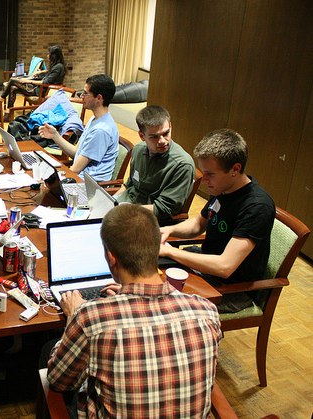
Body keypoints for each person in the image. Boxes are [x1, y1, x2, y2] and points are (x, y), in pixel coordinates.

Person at [44, 204, 221, 418]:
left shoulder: (90, 317)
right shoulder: (206, 312)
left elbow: (57, 380)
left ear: (111, 258)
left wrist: (74, 316)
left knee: (49, 350)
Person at [160, 128, 275, 310]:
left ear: (235, 169)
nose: (203, 180)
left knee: (163, 303)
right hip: (206, 268)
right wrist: (168, 230)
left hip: (232, 290)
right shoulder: (222, 188)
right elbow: (198, 223)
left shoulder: (257, 207)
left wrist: (170, 252)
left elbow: (225, 266)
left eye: (210, 174)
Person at [114, 105, 196, 224]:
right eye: (154, 137)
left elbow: (164, 209)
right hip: (125, 208)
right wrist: (111, 201)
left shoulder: (182, 165)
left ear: (171, 127)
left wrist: (125, 211)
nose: (162, 141)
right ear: (142, 136)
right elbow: (128, 185)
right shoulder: (138, 150)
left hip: (147, 220)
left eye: (166, 133)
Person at [38, 74, 119, 181]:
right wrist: (55, 136)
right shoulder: (95, 119)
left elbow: (75, 169)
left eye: (85, 93)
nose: (81, 97)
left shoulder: (101, 130)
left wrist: (50, 177)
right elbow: (77, 152)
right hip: (80, 178)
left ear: (99, 98)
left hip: (89, 187)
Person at [1, 45, 66, 110]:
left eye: (49, 54)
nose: (47, 56)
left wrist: (28, 81)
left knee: (13, 80)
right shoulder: (58, 66)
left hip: (42, 92)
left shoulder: (58, 67)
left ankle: (1, 99)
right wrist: (41, 72)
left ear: (54, 56)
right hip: (40, 89)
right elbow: (51, 72)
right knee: (13, 88)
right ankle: (9, 113)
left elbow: (45, 82)